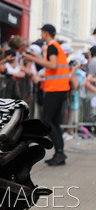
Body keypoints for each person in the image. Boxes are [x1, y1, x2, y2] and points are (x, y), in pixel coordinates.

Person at [23, 24, 69, 166]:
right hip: (60, 89)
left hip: (55, 90)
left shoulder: (52, 46)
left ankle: (60, 152)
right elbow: (53, 64)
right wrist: (37, 56)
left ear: (46, 33)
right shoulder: (56, 47)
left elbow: (53, 65)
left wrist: (35, 60)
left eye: (42, 32)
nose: (41, 35)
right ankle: (59, 153)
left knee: (46, 121)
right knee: (54, 122)